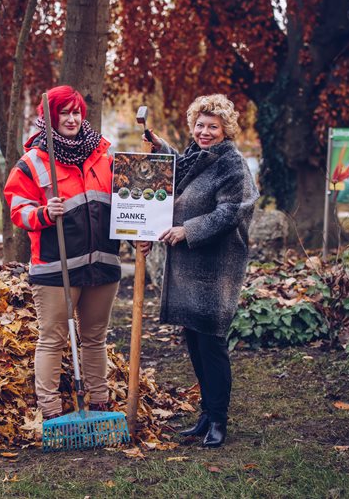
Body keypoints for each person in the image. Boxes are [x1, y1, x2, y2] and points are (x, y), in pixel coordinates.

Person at [144, 94, 258, 447]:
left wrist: (187, 229)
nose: (204, 132)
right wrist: (160, 145)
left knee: (211, 341)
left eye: (212, 126)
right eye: (199, 125)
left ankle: (220, 420)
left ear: (226, 129)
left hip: (215, 265)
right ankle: (206, 415)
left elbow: (231, 211)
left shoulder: (233, 165)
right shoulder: (198, 154)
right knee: (193, 338)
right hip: (189, 263)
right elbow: (181, 171)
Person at [4, 85, 121, 420]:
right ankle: (51, 409)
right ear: (50, 117)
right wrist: (43, 213)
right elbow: (18, 210)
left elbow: (126, 206)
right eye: (64, 113)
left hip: (103, 264)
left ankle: (98, 402)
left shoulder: (104, 156)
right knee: (53, 339)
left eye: (76, 112)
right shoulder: (33, 163)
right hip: (56, 269)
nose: (71, 119)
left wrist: (139, 231)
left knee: (95, 338)